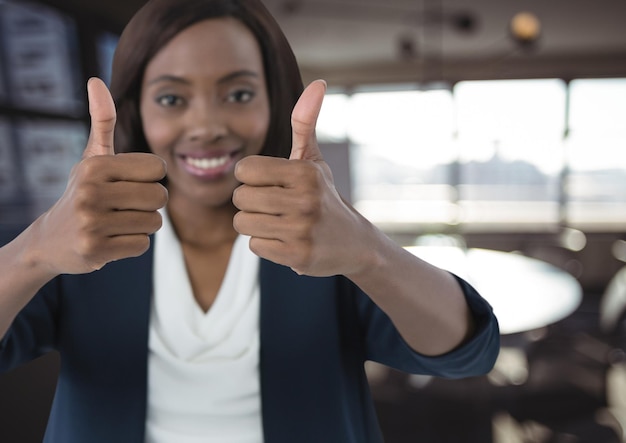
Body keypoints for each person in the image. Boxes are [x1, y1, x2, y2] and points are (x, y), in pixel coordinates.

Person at [0, 0, 500, 441]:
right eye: (172, 98)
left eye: (238, 94)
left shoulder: (325, 240)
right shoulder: (82, 242)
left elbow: (464, 353)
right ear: (136, 111)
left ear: (274, 101)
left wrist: (368, 251)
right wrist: (35, 249)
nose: (207, 126)